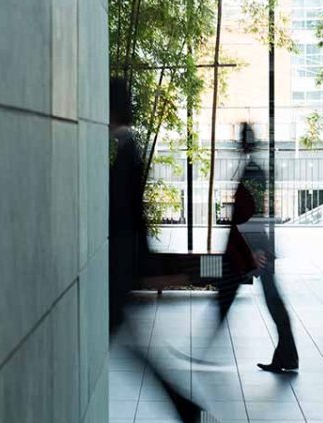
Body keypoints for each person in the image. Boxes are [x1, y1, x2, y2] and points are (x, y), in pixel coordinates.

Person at [108, 77, 210, 422]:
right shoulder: (128, 148)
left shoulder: (127, 150)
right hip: (122, 263)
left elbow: (126, 215)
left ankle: (184, 405)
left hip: (120, 264)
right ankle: (184, 405)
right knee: (131, 347)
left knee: (129, 346)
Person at [219, 123, 299, 372]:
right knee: (255, 295)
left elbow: (254, 213)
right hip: (249, 246)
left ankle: (288, 354)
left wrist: (256, 251)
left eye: (240, 140)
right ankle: (287, 355)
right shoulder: (253, 167)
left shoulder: (253, 170)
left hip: (253, 248)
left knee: (271, 298)